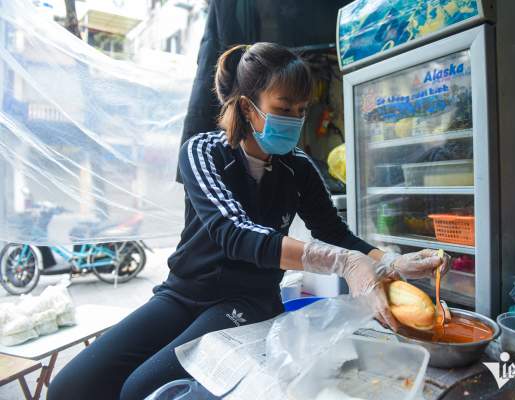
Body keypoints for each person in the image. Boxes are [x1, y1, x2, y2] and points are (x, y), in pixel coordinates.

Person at [47, 42, 448, 400]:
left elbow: (332, 231)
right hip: (183, 293)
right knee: (71, 387)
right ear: (245, 107)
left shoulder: (298, 168)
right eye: (283, 109)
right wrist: (343, 262)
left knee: (138, 389)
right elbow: (233, 232)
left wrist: (390, 262)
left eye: (301, 111)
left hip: (247, 300)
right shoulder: (203, 152)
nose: (294, 120)